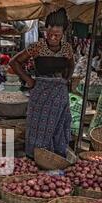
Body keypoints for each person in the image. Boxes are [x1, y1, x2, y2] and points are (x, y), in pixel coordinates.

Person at [10, 8, 74, 158]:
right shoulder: (37, 46)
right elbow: (14, 62)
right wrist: (29, 80)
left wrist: (67, 79)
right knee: (37, 127)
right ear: (45, 30)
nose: (52, 37)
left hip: (59, 94)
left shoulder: (66, 48)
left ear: (63, 33)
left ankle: (55, 158)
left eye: (57, 35)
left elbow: (71, 64)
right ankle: (36, 158)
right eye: (49, 34)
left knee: (58, 126)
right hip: (40, 93)